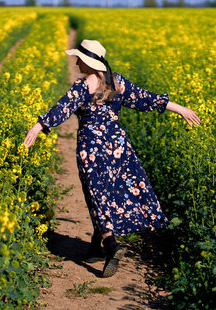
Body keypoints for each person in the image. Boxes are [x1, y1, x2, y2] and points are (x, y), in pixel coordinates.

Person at [23, 39, 200, 278]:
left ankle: (111, 245)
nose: (75, 62)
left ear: (88, 61)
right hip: (117, 144)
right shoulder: (117, 82)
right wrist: (180, 109)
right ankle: (94, 248)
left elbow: (62, 108)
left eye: (79, 58)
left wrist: (38, 126)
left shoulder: (84, 84)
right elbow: (145, 98)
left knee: (96, 194)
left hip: (91, 146)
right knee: (108, 192)